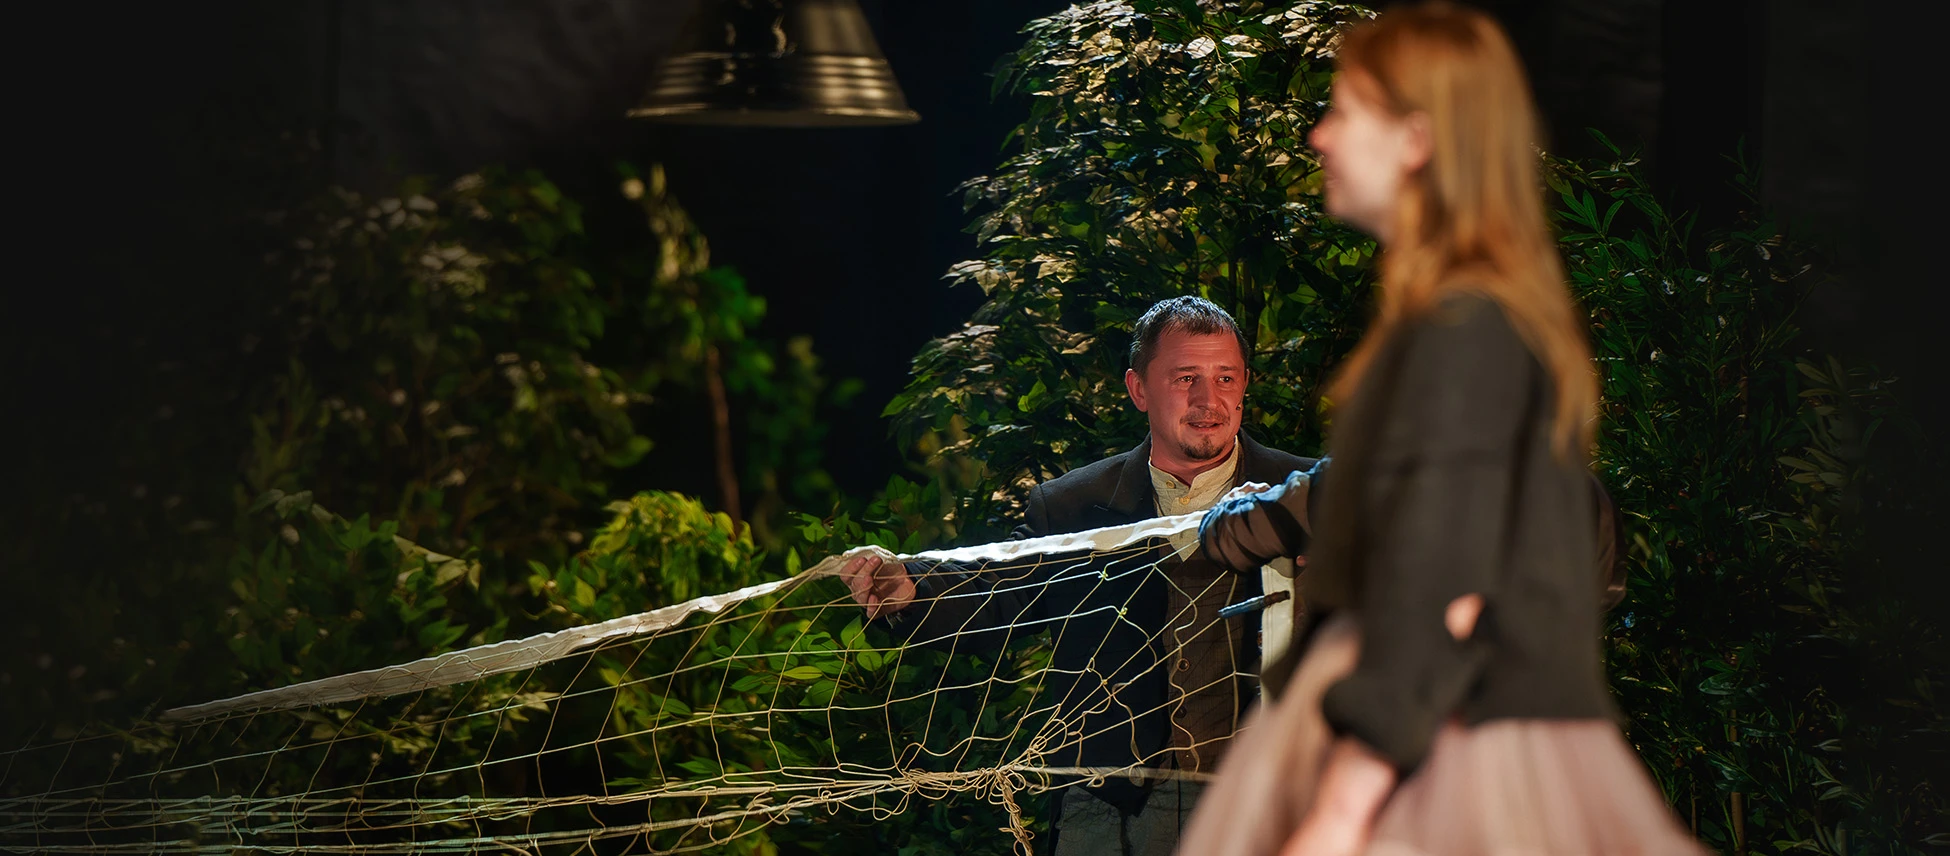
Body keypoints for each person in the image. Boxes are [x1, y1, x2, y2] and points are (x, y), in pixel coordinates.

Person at [1176, 4, 1705, 855]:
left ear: (1417, 138)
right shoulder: (1471, 317)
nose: (1319, 136)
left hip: (1433, 741)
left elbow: (1450, 584)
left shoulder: (1467, 326)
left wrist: (1344, 806)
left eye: (1345, 109)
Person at [839, 295, 1318, 856]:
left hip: (1269, 806)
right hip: (1111, 811)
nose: (1208, 400)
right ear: (1139, 389)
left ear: (1244, 385)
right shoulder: (1073, 505)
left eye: (1225, 378)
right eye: (1185, 377)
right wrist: (910, 591)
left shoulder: (1309, 496)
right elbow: (1002, 591)